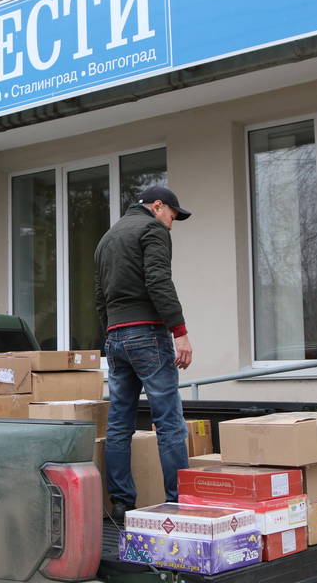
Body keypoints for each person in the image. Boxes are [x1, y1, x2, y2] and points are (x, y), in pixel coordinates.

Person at [94, 185, 193, 521]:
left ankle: (122, 503)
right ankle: (179, 504)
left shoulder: (107, 239)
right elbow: (158, 281)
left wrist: (112, 332)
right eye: (172, 216)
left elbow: (99, 296)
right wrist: (180, 332)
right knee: (169, 423)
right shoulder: (152, 229)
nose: (171, 225)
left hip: (115, 337)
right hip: (148, 333)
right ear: (157, 206)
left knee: (119, 424)